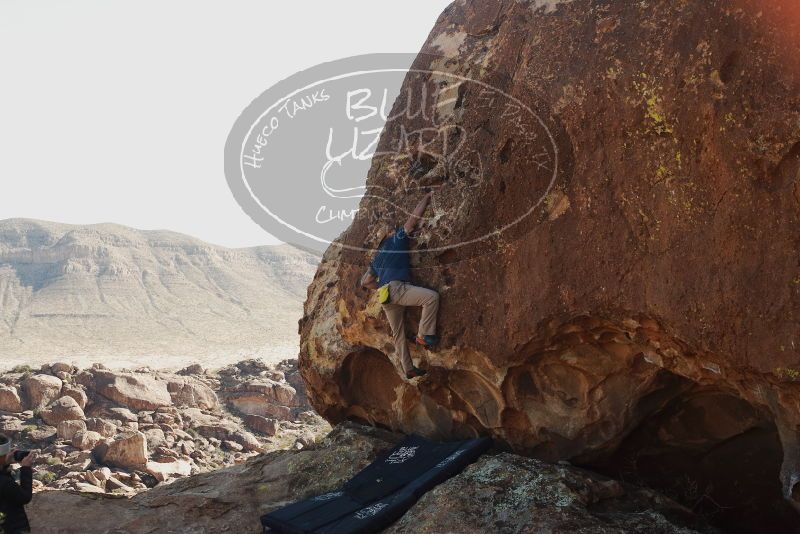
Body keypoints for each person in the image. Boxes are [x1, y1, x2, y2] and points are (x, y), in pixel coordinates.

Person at [361, 191, 440, 380]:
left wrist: (381, 285)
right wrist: (426, 197)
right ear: (389, 234)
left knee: (398, 334)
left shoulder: (377, 257)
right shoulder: (396, 240)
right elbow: (413, 219)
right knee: (431, 298)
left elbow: (365, 281)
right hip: (397, 289)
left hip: (385, 295)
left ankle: (408, 368)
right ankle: (424, 335)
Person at [0, 434, 36, 534]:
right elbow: (25, 497)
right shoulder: (5, 482)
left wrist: (4, 465)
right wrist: (26, 468)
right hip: (11, 527)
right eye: (6, 453)